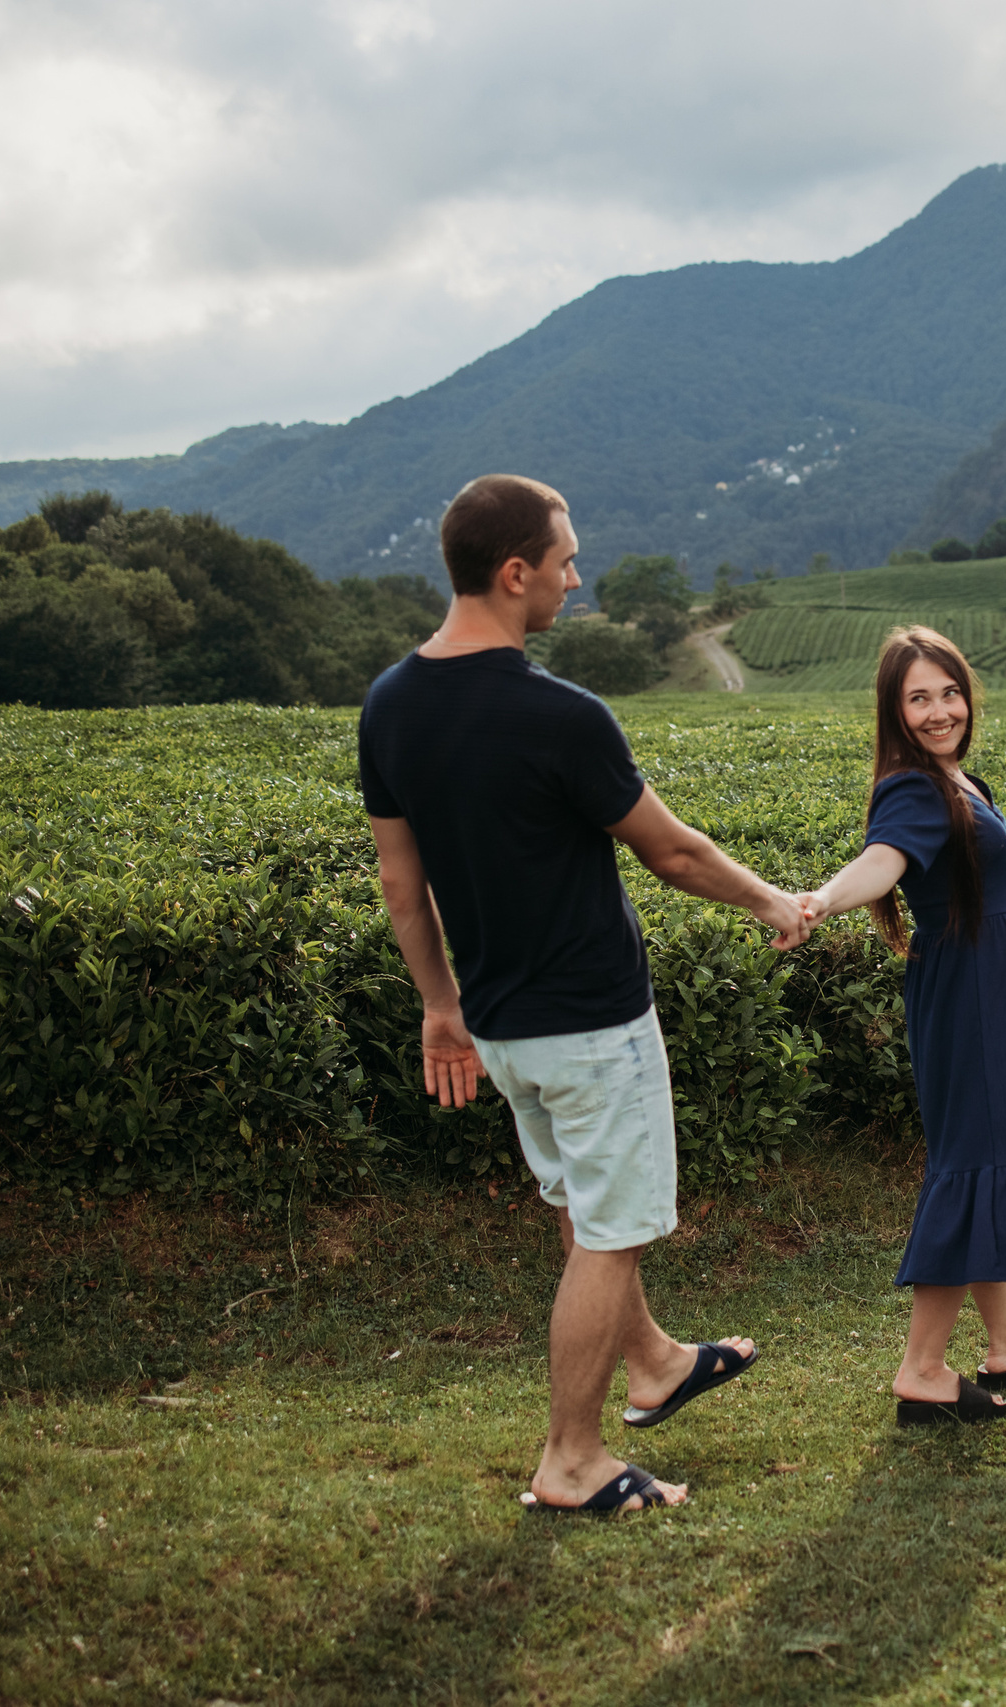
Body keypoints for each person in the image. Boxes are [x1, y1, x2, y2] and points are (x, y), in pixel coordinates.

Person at [358, 473, 808, 1514]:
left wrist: (441, 1007)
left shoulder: (390, 702)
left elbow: (399, 879)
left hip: (503, 1026)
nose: (575, 577)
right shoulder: (559, 713)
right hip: (593, 1024)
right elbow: (675, 856)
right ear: (514, 574)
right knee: (612, 1233)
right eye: (565, 560)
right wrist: (776, 905)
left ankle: (652, 1363)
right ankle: (571, 1459)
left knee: (583, 1206)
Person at [801, 626, 1006, 1423]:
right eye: (918, 698)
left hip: (998, 986)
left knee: (987, 1153)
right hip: (971, 996)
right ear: (895, 710)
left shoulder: (963, 780)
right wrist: (821, 899)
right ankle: (922, 1368)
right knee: (973, 1159)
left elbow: (996, 896)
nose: (939, 709)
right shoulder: (913, 789)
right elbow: (882, 862)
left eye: (948, 692)